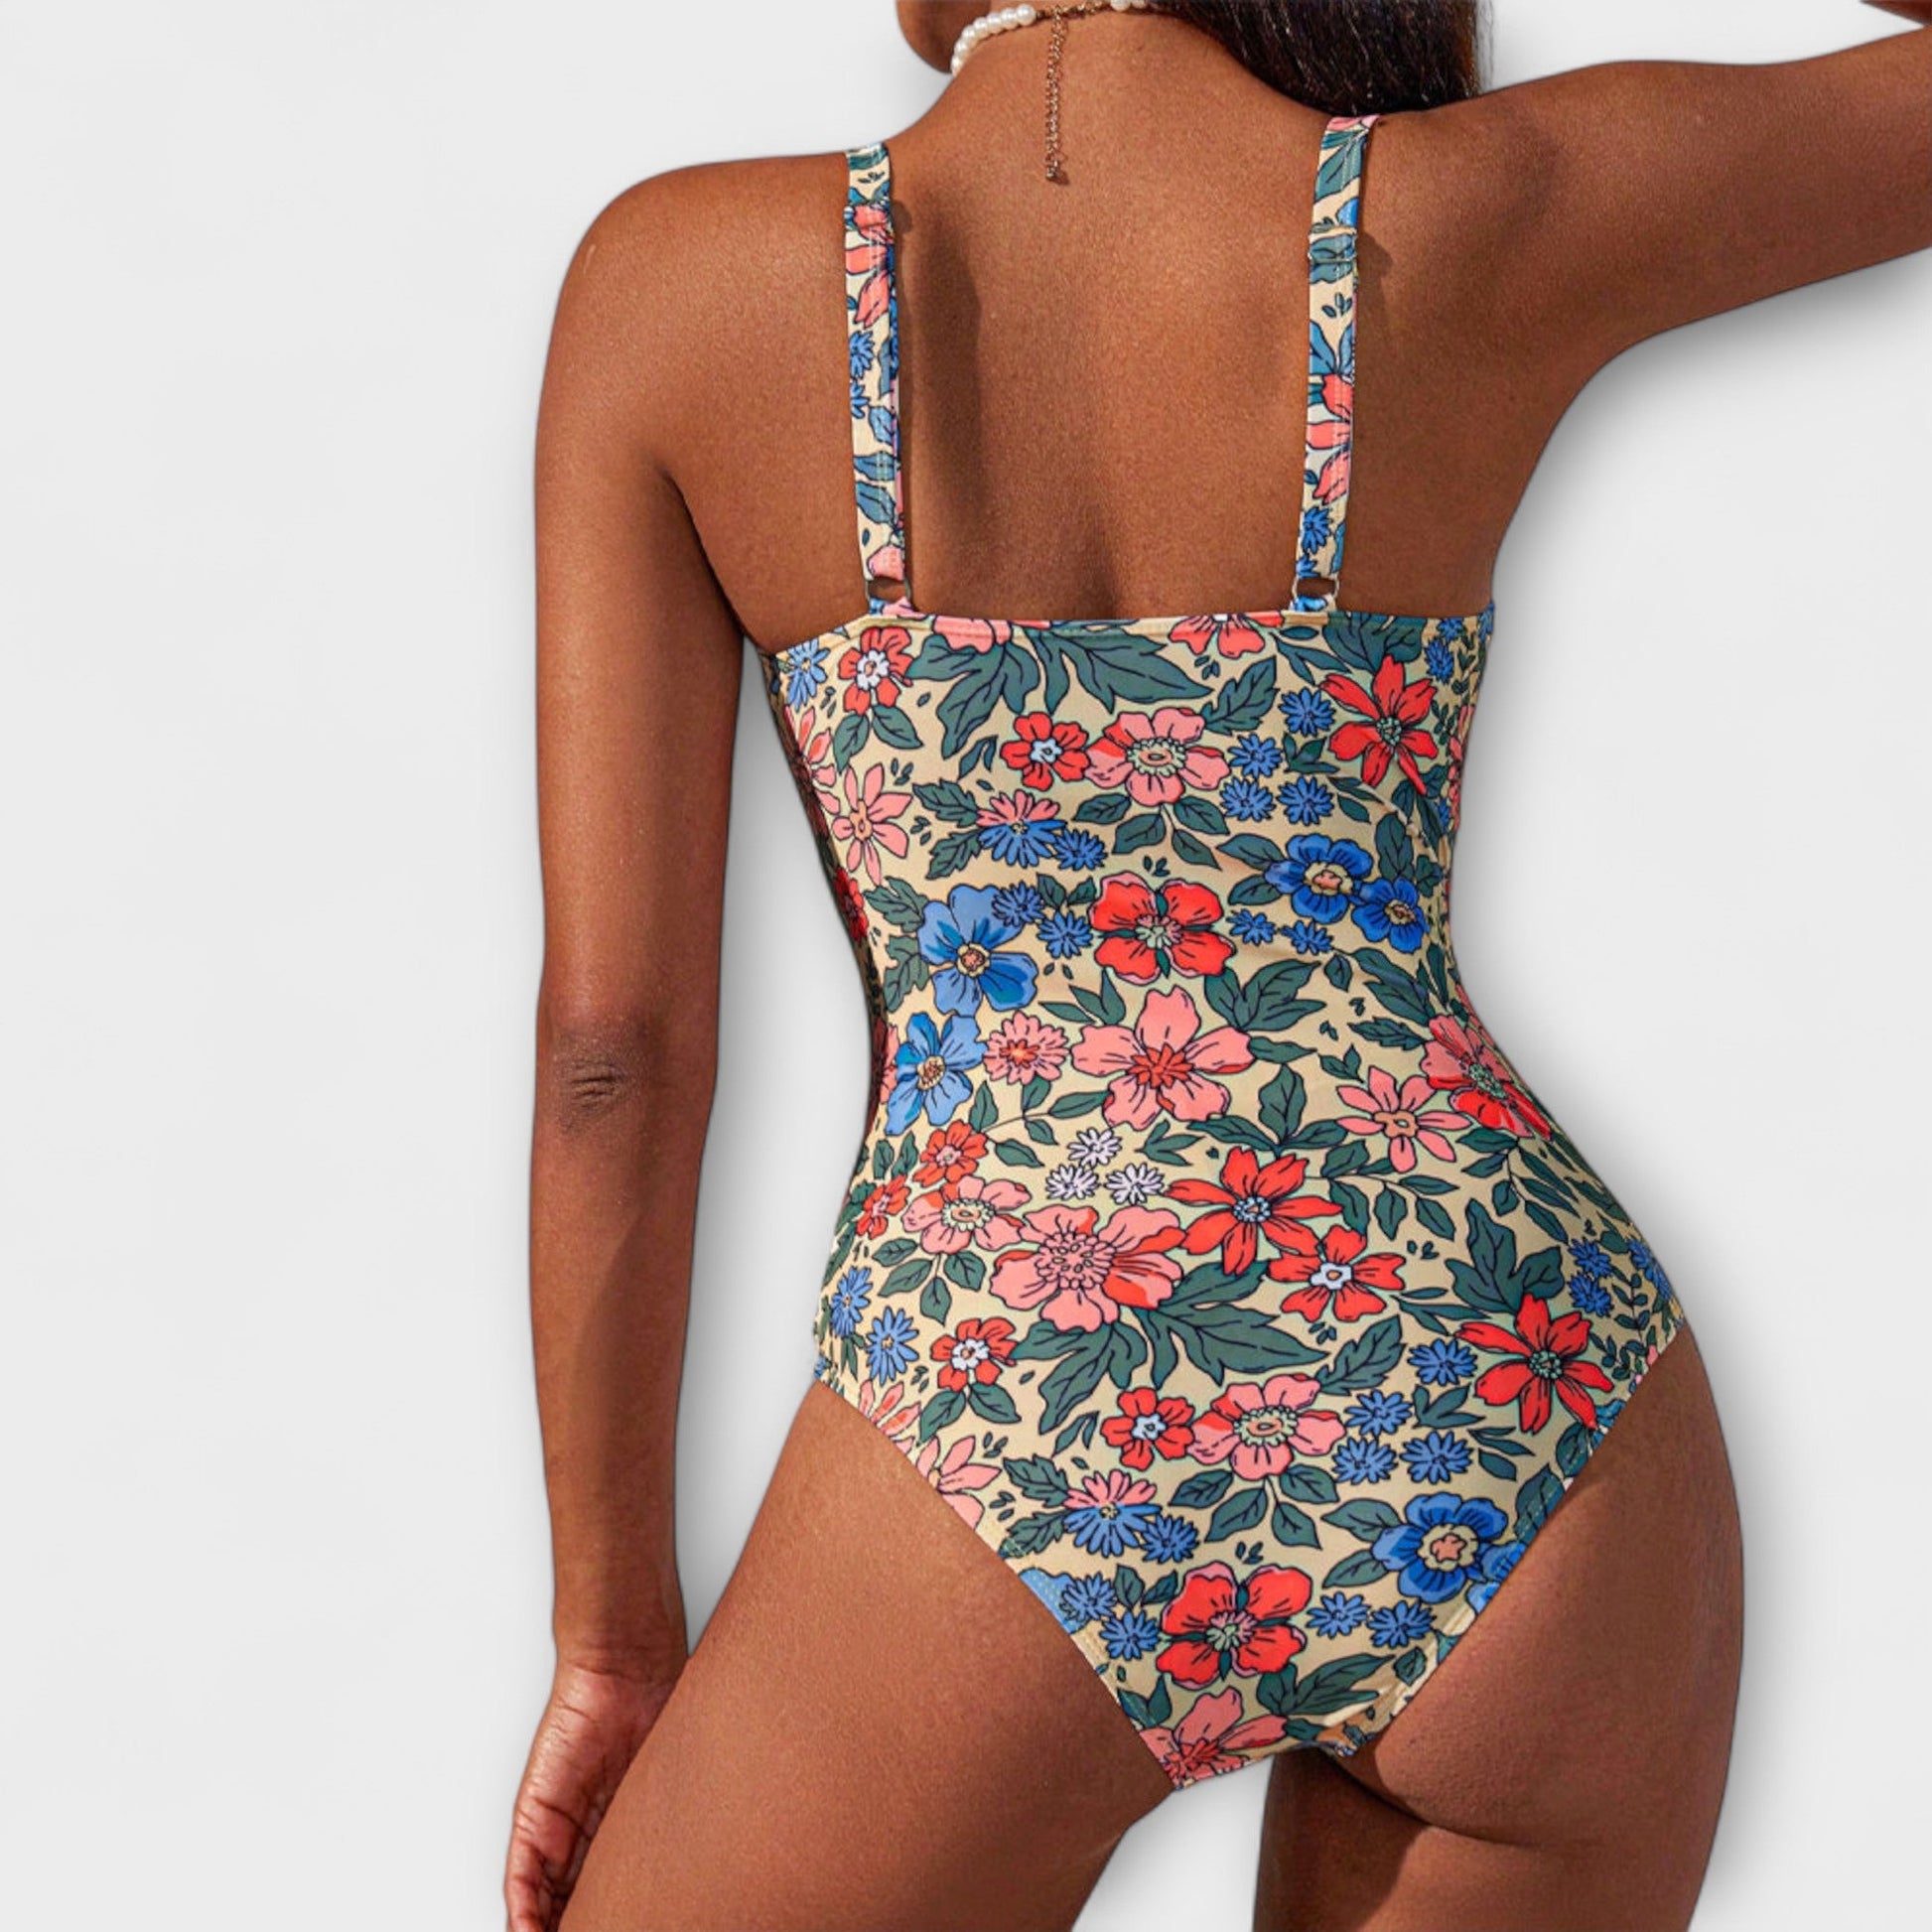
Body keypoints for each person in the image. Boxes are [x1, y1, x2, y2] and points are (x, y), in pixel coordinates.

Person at [505, 3, 1931, 1926]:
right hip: (1505, 1372)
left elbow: (612, 1054)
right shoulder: (1471, 214)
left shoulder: (685, 280)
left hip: (1021, 1379)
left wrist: (611, 1641)